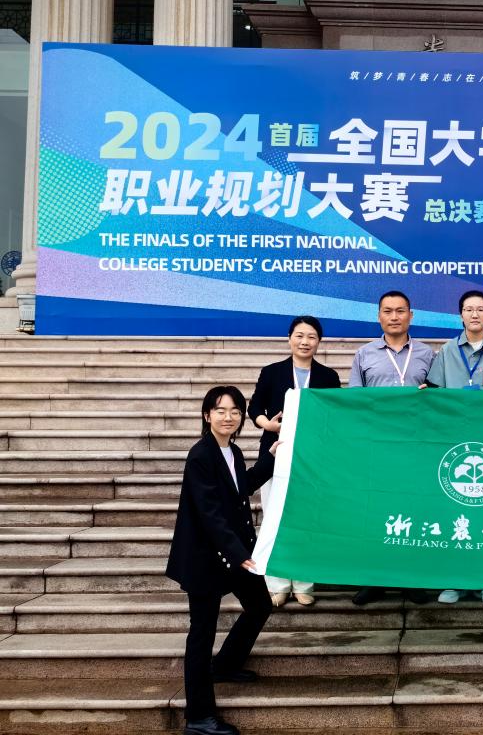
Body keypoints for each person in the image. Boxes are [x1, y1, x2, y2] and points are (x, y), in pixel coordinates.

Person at [166, 386, 277, 735]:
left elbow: (243, 487)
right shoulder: (200, 456)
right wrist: (240, 553)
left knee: (260, 605)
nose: (228, 417)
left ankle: (225, 664)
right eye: (220, 410)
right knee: (201, 634)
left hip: (232, 553)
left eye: (235, 411)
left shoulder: (232, 450)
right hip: (206, 558)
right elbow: (209, 512)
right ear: (207, 415)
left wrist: (272, 456)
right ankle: (199, 717)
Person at [426, 289, 483, 604]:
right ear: (460, 315)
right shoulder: (447, 351)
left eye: (480, 309)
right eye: (468, 309)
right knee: (455, 511)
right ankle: (454, 580)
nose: (474, 314)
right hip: (454, 443)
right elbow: (436, 395)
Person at [348, 290, 435, 606]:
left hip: (416, 445)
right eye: (388, 311)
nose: (394, 317)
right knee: (376, 510)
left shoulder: (427, 354)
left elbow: (439, 399)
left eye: (400, 311)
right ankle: (375, 579)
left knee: (413, 509)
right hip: (379, 445)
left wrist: (431, 394)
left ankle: (412, 578)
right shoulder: (364, 354)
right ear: (379, 316)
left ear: (411, 315)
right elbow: (355, 402)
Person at [248, 315, 340, 606]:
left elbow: (335, 417)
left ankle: (303, 583)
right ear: (289, 338)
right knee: (274, 516)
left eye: (311, 336)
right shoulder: (272, 372)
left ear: (319, 341)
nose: (305, 341)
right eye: (299, 335)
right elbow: (254, 408)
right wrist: (268, 425)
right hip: (275, 454)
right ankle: (277, 584)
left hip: (311, 458)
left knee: (305, 519)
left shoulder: (328, 376)